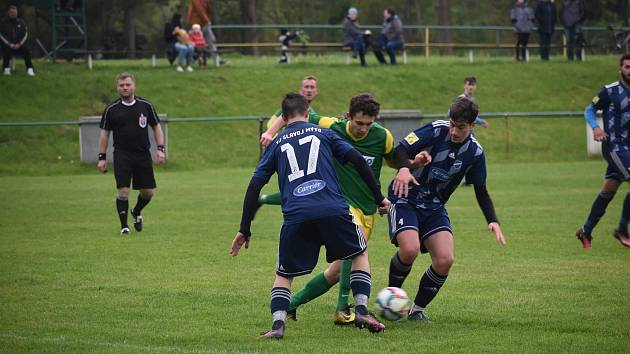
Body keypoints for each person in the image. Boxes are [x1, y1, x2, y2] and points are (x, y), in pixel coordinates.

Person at [230, 93, 389, 338]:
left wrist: (244, 228)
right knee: (358, 253)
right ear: (307, 113)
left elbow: (254, 186)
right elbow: (357, 160)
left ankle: (278, 326)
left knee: (284, 274)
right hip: (333, 208)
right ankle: (361, 309)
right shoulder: (324, 133)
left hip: (296, 215)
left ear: (283, 118)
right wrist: (379, 199)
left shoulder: (276, 143)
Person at [260, 94, 409, 325]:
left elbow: (394, 158)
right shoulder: (330, 127)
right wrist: (271, 132)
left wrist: (408, 167)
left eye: (369, 124)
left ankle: (291, 303)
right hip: (338, 203)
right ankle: (345, 309)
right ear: (348, 116)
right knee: (354, 254)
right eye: (359, 123)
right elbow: (296, 113)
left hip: (367, 207)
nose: (363, 129)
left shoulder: (383, 136)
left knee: (336, 271)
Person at [387, 96, 506, 322]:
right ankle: (391, 298)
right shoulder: (435, 130)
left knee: (445, 259)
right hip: (405, 197)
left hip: (433, 207)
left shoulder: (475, 153)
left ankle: (417, 310)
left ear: (472, 126)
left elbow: (481, 189)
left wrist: (492, 220)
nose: (453, 131)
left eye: (460, 127)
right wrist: (404, 169)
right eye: (452, 124)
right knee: (410, 249)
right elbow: (401, 149)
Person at [97, 72, 165, 236]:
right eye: (122, 85)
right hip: (122, 154)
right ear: (117, 88)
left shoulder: (145, 106)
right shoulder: (112, 109)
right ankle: (124, 226)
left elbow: (156, 127)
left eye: (128, 85)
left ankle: (136, 211)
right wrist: (102, 157)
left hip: (142, 154)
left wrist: (160, 148)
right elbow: (105, 134)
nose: (125, 88)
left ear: (134, 86)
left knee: (148, 192)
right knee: (123, 191)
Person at [576, 53, 630, 249]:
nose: (629, 71)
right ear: (620, 69)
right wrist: (596, 127)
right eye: (627, 67)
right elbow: (589, 109)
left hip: (628, 150)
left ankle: (585, 230)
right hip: (614, 146)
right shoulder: (610, 91)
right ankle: (622, 230)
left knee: (608, 191)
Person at [260, 75, 320, 148]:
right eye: (306, 87)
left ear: (316, 91)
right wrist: (275, 141)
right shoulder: (291, 107)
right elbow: (271, 123)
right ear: (300, 90)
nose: (309, 90)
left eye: (312, 87)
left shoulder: (312, 113)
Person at [187, 0, 225, 66]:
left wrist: (207, 20)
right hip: (197, 23)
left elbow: (208, 10)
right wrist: (207, 20)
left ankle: (217, 60)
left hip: (204, 23)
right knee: (195, 42)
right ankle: (192, 60)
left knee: (211, 40)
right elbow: (199, 10)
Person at [0, 5, 35, 76]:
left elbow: (25, 34)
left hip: (18, 45)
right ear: (8, 13)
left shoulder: (21, 23)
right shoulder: (3, 22)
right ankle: (6, 69)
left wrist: (19, 44)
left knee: (26, 50)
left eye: (14, 12)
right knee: (6, 50)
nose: (13, 14)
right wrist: (9, 44)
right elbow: (1, 35)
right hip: (7, 45)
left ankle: (30, 69)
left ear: (17, 13)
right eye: (11, 12)